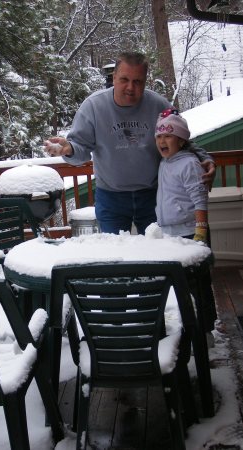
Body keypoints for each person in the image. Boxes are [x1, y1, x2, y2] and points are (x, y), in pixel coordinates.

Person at [44, 51, 216, 235]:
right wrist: (68, 149)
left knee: (158, 255)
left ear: (145, 81)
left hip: (155, 194)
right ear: (114, 77)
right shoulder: (94, 107)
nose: (130, 87)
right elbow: (79, 150)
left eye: (138, 81)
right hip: (111, 197)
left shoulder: (159, 106)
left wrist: (205, 159)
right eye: (124, 79)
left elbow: (182, 141)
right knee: (116, 257)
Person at [154, 108, 217, 340]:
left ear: (181, 141)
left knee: (198, 284)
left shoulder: (189, 163)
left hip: (192, 232)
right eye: (159, 136)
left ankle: (205, 330)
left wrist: (200, 231)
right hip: (172, 233)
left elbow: (200, 197)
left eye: (168, 136)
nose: (162, 141)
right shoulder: (166, 162)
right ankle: (191, 325)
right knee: (182, 284)